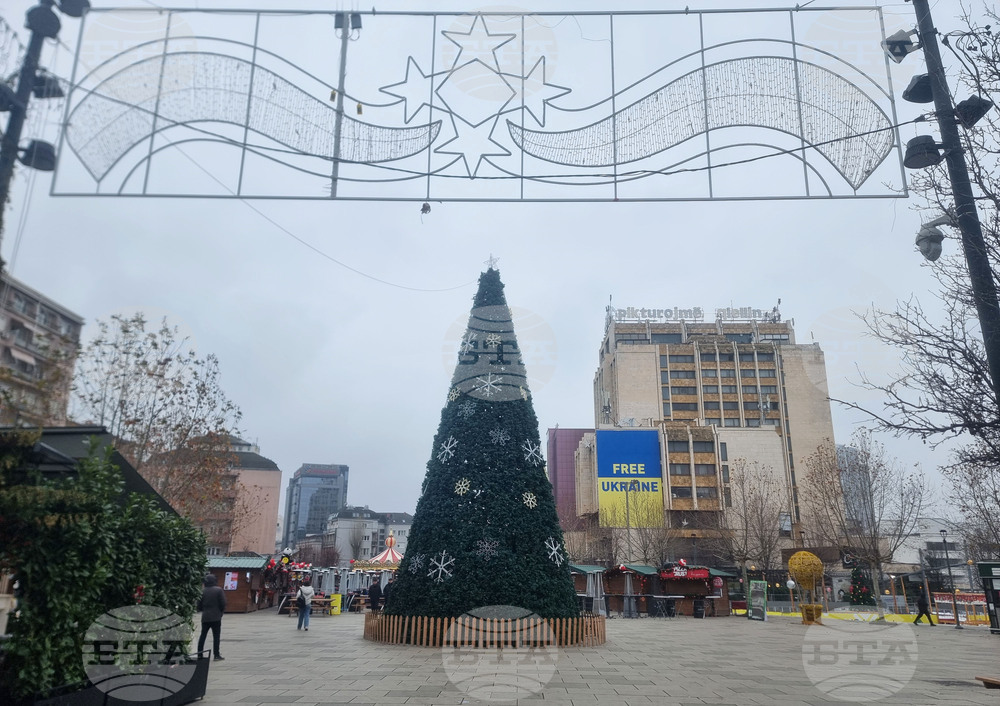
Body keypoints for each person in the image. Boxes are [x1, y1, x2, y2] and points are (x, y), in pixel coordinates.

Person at [196, 574, 226, 660]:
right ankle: (216, 655)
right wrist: (221, 612)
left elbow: (199, 604)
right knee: (216, 636)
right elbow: (223, 603)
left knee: (203, 635)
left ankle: (200, 654)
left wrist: (203, 610)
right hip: (216, 616)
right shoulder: (218, 590)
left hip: (205, 616)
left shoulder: (203, 591)